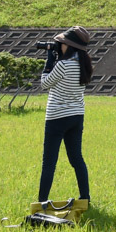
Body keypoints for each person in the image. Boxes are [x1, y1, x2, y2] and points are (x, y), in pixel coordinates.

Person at [37, 26, 93, 205]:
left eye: (60, 43)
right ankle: (85, 197)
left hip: (56, 117)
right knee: (76, 158)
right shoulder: (84, 64)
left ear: (68, 45)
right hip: (77, 115)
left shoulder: (63, 65)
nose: (58, 46)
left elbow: (45, 83)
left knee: (49, 162)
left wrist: (49, 60)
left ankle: (42, 200)